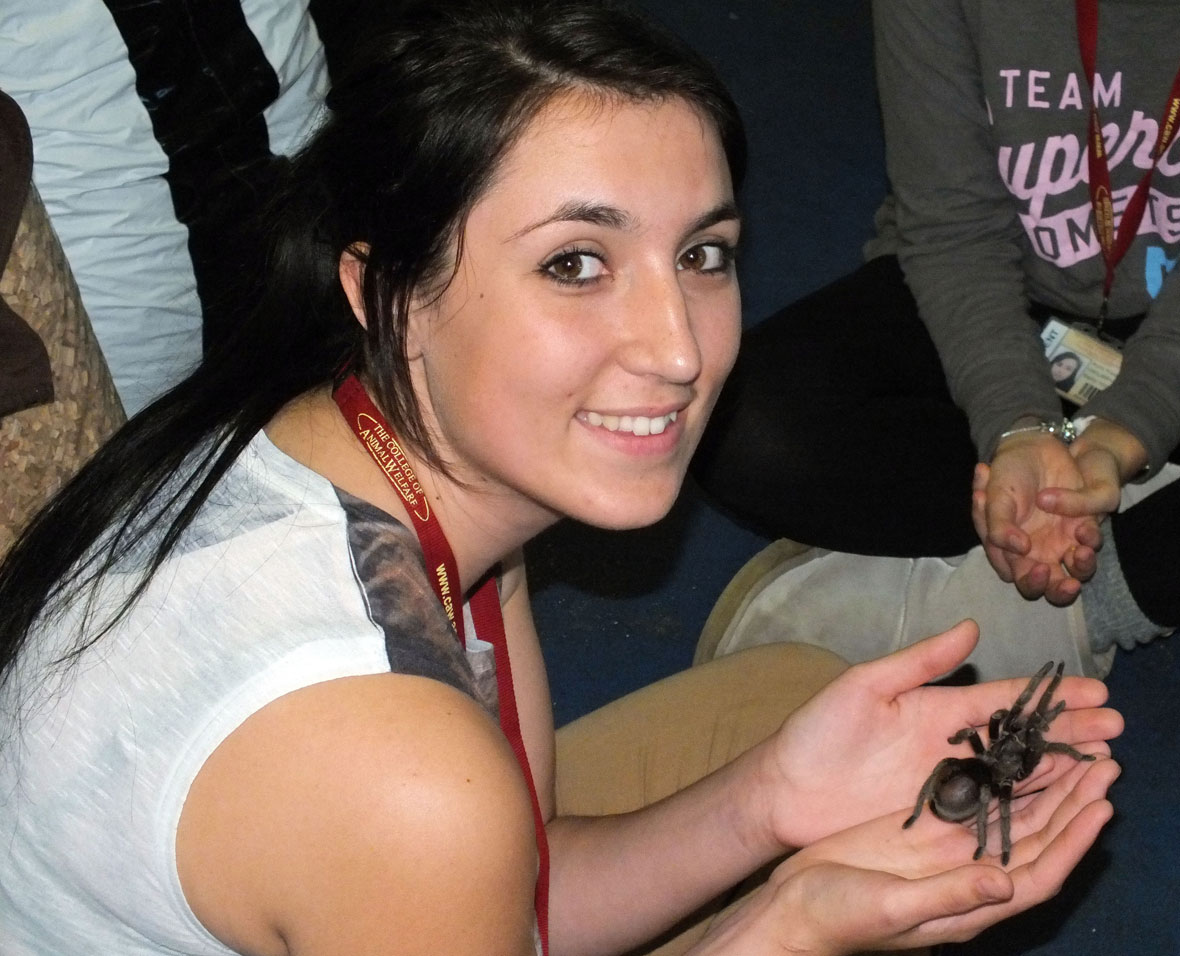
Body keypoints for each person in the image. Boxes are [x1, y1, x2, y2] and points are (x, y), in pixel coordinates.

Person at [0, 2, 1122, 954]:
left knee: (794, 710)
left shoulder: (391, 457)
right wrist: (785, 924)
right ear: (384, 289)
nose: (679, 346)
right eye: (574, 263)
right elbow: (459, 845)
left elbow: (527, 893)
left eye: (702, 254)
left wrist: (770, 796)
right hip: (386, 821)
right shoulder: (400, 773)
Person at [691, 0, 1179, 672]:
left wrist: (1134, 422)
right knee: (739, 424)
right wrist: (1016, 427)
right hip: (1001, 293)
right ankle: (1059, 511)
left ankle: (1089, 591)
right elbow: (954, 227)